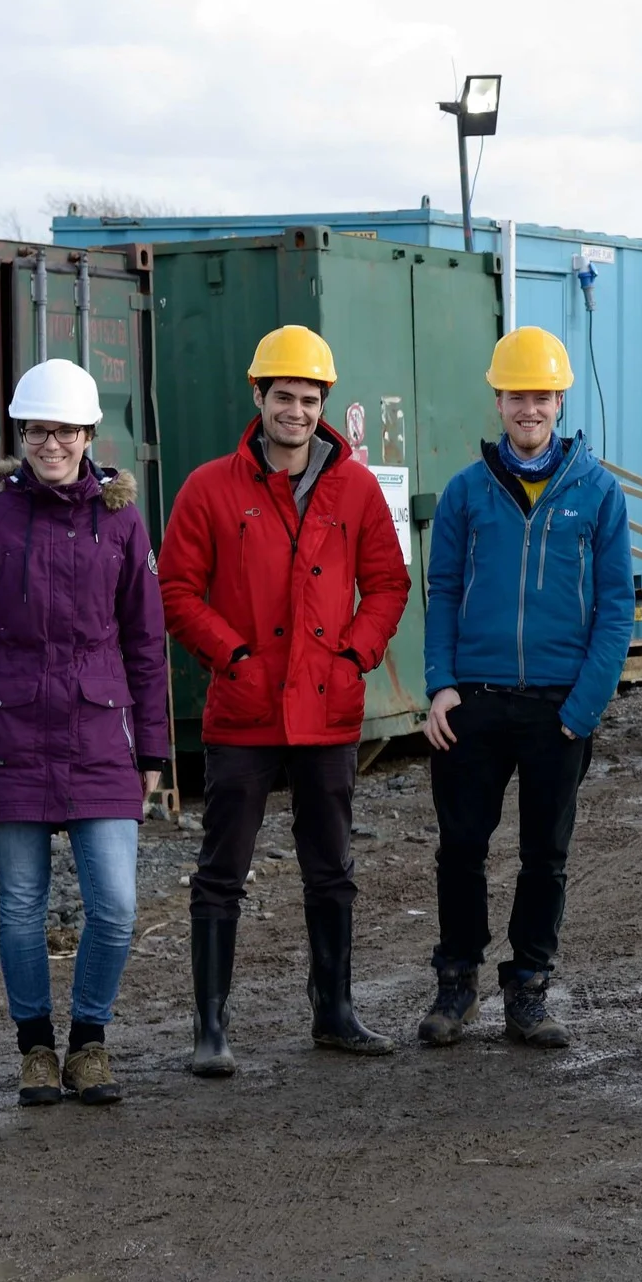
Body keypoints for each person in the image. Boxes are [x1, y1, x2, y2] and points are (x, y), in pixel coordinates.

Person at [160, 324, 411, 1076]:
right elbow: (175, 588)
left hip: (326, 708)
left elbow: (389, 584)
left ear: (323, 402)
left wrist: (354, 653)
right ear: (258, 397)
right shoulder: (211, 488)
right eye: (282, 397)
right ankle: (211, 1026)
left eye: (308, 399)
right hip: (244, 709)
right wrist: (231, 654)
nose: (295, 412)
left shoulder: (356, 488)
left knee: (330, 867)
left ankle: (334, 1011)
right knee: (221, 871)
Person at [0, 360, 168, 1108]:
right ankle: (36, 1049)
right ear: (22, 434)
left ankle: (88, 1043)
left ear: (89, 434)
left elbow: (145, 643)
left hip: (100, 739)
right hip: (11, 739)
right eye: (38, 429)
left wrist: (155, 750)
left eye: (64, 430)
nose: (51, 443)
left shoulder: (123, 522)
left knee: (117, 906)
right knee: (23, 906)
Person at [415, 327, 635, 1050]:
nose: (528, 408)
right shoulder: (465, 492)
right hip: (473, 702)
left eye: (541, 395)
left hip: (557, 709)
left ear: (559, 399)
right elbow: (441, 590)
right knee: (461, 848)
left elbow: (614, 607)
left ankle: (530, 987)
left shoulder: (596, 493)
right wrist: (442, 685)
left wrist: (585, 705)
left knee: (546, 855)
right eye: (516, 395)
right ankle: (457, 981)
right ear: (498, 400)